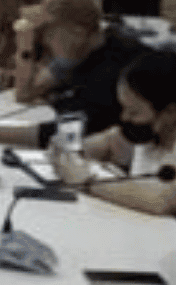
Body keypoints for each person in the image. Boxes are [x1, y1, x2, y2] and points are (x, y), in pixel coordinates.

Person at [0, 0, 148, 149]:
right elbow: (25, 94)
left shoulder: (116, 67)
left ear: (76, 32)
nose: (46, 41)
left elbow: (70, 133)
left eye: (51, 33)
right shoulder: (84, 48)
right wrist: (26, 38)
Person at [51, 49, 176, 216]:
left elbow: (161, 199)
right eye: (123, 108)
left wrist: (86, 181)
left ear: (170, 112)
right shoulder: (152, 133)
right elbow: (109, 140)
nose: (124, 118)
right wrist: (69, 152)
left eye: (134, 112)